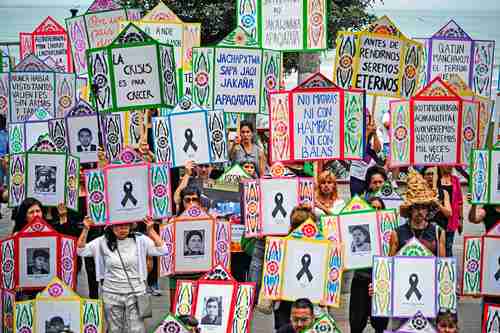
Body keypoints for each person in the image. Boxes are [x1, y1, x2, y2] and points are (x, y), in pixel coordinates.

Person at [77, 216, 167, 333]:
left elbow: (163, 250)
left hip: (136, 293)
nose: (122, 228)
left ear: (131, 226)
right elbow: (81, 250)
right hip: (112, 294)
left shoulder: (140, 239)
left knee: (137, 329)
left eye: (126, 225)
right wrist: (85, 229)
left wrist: (151, 230)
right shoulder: (102, 241)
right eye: (118, 225)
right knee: (114, 329)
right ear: (111, 226)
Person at [349, 196, 389, 333]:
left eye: (379, 208)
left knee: (380, 325)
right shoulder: (357, 229)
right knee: (356, 323)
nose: (376, 211)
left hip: (381, 280)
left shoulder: (390, 231)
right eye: (373, 208)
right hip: (360, 279)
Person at [389, 170, 446, 257]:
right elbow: (390, 263)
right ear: (410, 209)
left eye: (423, 207)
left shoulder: (438, 232)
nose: (420, 211)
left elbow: (442, 264)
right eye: (416, 207)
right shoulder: (397, 233)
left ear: (428, 209)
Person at [349, 111, 382, 196]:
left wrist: (374, 133)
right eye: (364, 116)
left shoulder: (376, 131)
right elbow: (359, 150)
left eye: (367, 116)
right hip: (357, 173)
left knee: (372, 199)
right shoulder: (353, 131)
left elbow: (377, 150)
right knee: (356, 200)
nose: (366, 118)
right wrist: (366, 133)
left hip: (371, 173)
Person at [436, 166, 463, 257]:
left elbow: (460, 202)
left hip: (451, 218)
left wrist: (460, 219)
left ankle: (448, 269)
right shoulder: (436, 179)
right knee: (437, 246)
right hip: (437, 218)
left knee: (448, 246)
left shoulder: (455, 180)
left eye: (451, 164)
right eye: (447, 164)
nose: (449, 166)